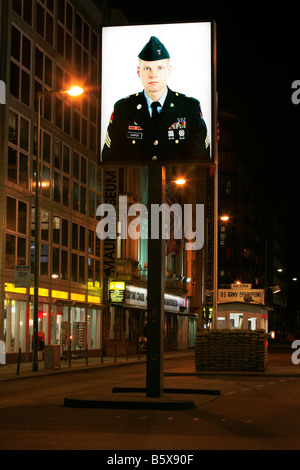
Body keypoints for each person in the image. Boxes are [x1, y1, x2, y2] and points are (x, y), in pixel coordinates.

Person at [101, 36, 210, 163]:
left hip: (179, 182)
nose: (153, 74)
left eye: (160, 68)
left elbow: (201, 159)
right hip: (135, 181)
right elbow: (110, 159)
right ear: (138, 71)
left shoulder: (189, 108)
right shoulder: (123, 109)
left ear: (169, 70)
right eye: (147, 68)